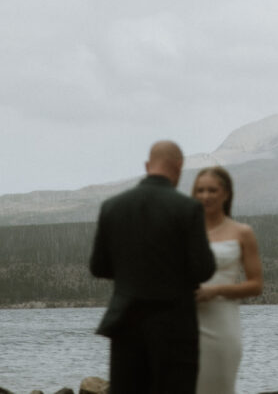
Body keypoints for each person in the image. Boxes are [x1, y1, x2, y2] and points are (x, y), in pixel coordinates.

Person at [90, 140, 216, 394]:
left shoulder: (113, 207)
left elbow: (99, 267)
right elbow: (203, 269)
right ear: (179, 167)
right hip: (175, 327)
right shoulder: (188, 208)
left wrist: (130, 273)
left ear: (148, 165)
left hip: (125, 323)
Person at [191, 166, 264, 394]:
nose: (205, 196)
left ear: (226, 193)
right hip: (185, 323)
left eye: (212, 190)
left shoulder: (242, 232)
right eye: (200, 190)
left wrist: (216, 290)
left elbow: (256, 285)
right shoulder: (185, 231)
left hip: (221, 324)